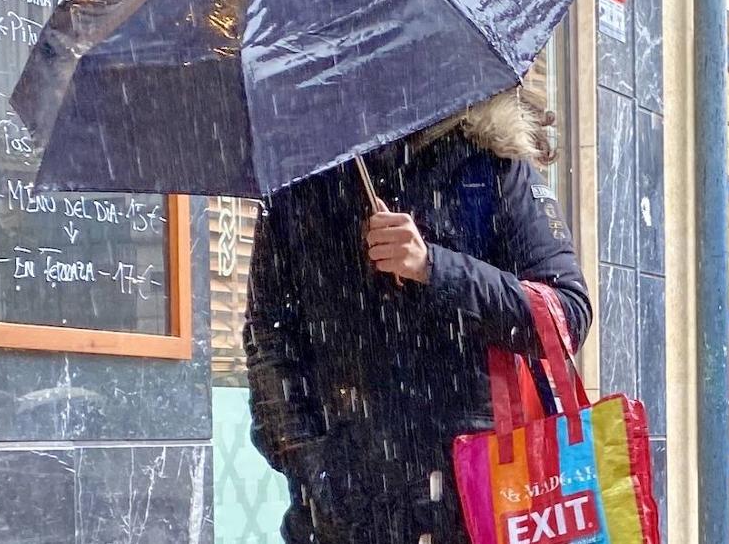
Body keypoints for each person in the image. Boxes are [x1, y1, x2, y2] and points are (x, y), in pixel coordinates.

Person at [243, 87, 593, 543]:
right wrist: (311, 466)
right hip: (344, 517)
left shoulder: (490, 163)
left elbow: (566, 313)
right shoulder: (302, 179)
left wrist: (433, 267)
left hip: (477, 503)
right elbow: (268, 340)